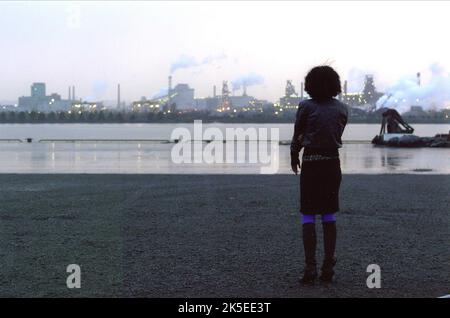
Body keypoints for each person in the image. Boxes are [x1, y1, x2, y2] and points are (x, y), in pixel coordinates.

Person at [290, 65, 348, 284]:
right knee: (328, 213)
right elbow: (337, 133)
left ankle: (310, 267)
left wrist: (294, 155)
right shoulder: (342, 108)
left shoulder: (305, 106)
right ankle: (328, 266)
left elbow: (298, 135)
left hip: (312, 165)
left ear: (310, 85)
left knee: (308, 213)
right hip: (332, 164)